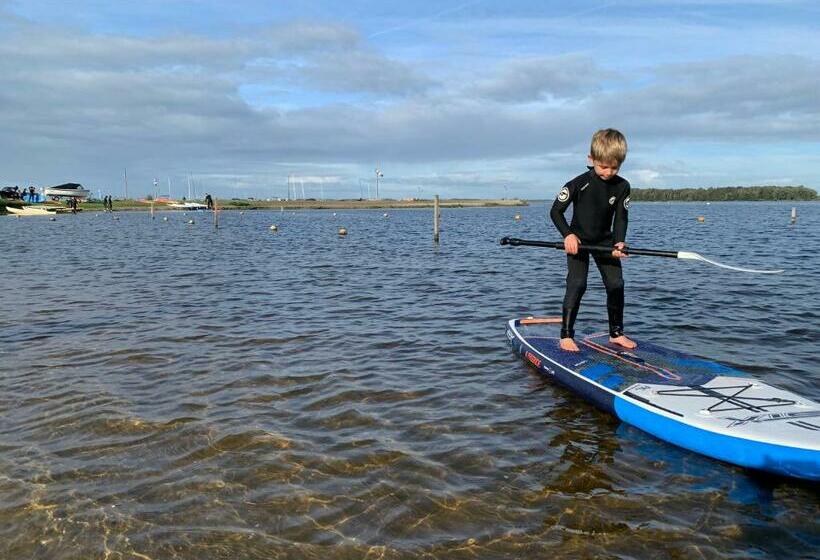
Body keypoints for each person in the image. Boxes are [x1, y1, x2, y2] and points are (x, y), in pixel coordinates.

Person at [549, 128, 635, 352]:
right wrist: (568, 235)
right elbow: (556, 212)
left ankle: (616, 333)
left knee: (616, 284)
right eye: (603, 166)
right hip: (578, 242)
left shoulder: (623, 186)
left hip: (605, 242)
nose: (608, 172)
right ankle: (566, 335)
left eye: (614, 167)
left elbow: (621, 218)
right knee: (577, 284)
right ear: (591, 159)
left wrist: (619, 242)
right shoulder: (578, 183)